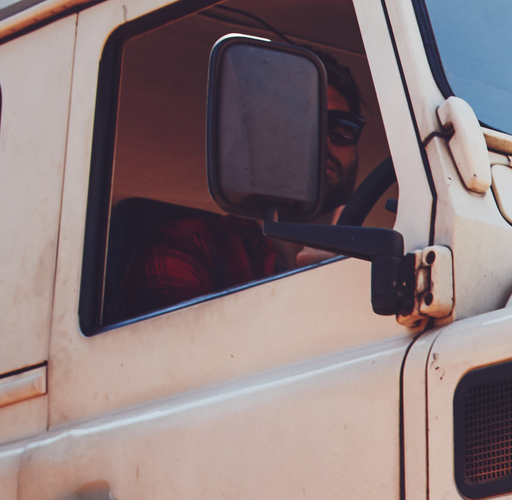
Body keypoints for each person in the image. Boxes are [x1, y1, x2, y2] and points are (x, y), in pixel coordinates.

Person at [113, 58, 367, 321]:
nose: (322, 141)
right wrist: (316, 289)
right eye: (301, 126)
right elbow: (188, 357)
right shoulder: (189, 249)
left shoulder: (374, 267)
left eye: (341, 128)